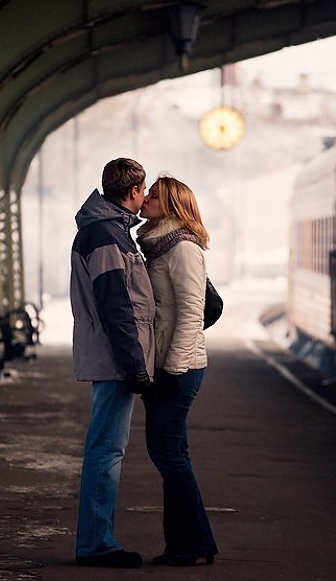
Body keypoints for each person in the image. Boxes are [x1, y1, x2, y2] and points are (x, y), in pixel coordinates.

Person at [70, 157, 155, 568]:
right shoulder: (107, 236)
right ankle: (96, 544)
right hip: (112, 359)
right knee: (106, 450)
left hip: (111, 356)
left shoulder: (110, 231)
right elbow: (116, 307)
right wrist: (134, 365)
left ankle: (96, 539)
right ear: (135, 191)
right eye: (144, 191)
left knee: (106, 448)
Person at [136, 176, 219, 566]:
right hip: (166, 364)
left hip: (180, 367)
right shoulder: (156, 245)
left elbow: (192, 314)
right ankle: (184, 544)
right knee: (172, 453)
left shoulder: (182, 248)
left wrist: (172, 369)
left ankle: (195, 542)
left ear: (171, 205)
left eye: (154, 195)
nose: (146, 199)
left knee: (167, 453)